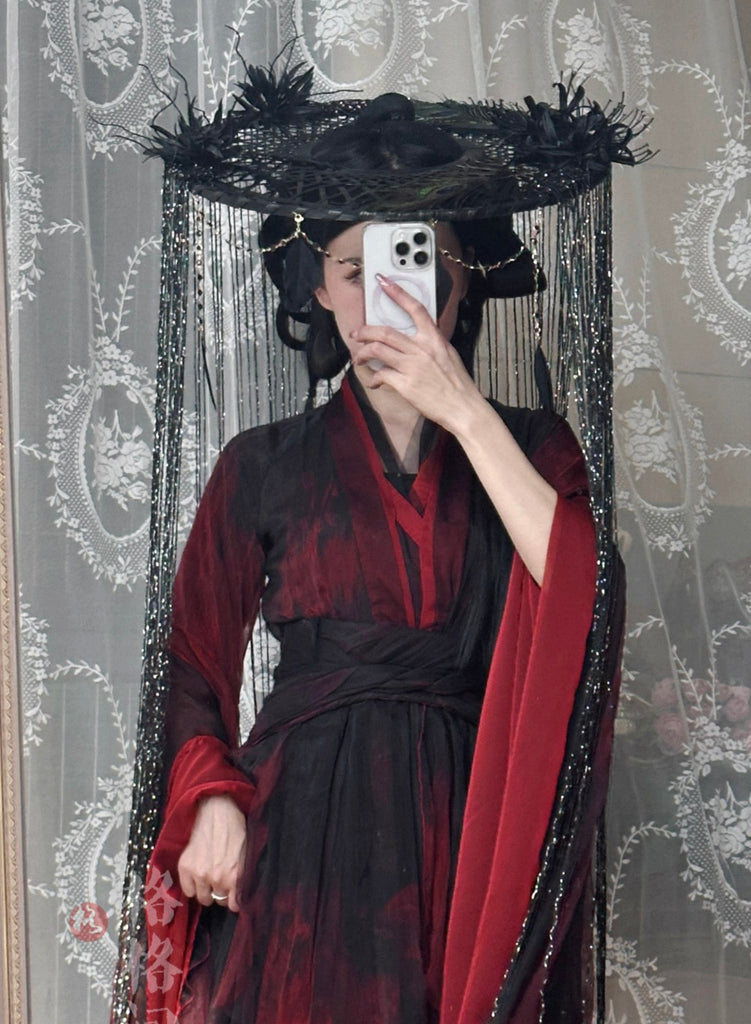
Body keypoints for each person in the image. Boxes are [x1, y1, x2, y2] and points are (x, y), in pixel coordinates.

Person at [129, 79, 638, 1024]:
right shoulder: (261, 463)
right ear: (318, 284)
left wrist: (464, 414)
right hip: (299, 823)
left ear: (462, 278)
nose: (388, 293)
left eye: (416, 261)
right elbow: (192, 658)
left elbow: (585, 597)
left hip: (475, 820)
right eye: (356, 268)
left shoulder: (532, 446)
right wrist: (212, 800)